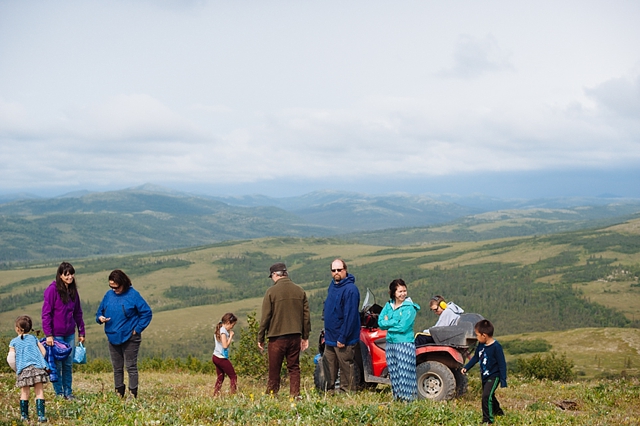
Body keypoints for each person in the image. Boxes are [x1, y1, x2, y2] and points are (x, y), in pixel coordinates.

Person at [96, 269, 153, 398]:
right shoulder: (108, 295)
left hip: (130, 337)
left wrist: (137, 329)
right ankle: (118, 394)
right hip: (112, 336)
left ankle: (132, 394)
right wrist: (100, 318)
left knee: (131, 367)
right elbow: (99, 312)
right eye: (111, 287)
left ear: (123, 283)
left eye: (116, 287)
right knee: (117, 368)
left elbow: (147, 313)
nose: (114, 290)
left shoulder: (133, 295)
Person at [258, 263, 311, 397]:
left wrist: (260, 338)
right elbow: (306, 317)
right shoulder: (300, 291)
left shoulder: (271, 292)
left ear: (275, 274)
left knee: (274, 369)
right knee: (294, 368)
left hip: (276, 337)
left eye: (272, 277)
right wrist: (305, 337)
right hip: (295, 336)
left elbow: (265, 317)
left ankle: (271, 395)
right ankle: (295, 395)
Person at [41, 261, 85, 399]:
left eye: (71, 274)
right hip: (56, 335)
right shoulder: (52, 290)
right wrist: (49, 334)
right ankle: (59, 393)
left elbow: (78, 312)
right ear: (60, 275)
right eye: (66, 275)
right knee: (57, 365)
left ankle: (68, 392)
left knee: (68, 364)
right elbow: (46, 314)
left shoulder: (73, 291)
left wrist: (81, 331)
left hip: (69, 333)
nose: (70, 277)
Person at [378, 279, 420, 402]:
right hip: (390, 343)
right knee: (394, 372)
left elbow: (403, 327)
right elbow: (380, 323)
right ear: (393, 293)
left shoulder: (409, 308)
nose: (403, 294)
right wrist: (394, 321)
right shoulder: (388, 305)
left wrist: (388, 322)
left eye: (404, 291)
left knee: (405, 373)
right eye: (400, 291)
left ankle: (409, 400)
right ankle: (397, 399)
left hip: (404, 343)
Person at [322, 258, 360, 393]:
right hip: (330, 336)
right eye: (333, 270)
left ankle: (348, 392)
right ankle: (329, 391)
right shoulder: (332, 286)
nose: (336, 273)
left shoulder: (351, 290)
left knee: (345, 366)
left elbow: (350, 316)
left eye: (339, 270)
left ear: (345, 270)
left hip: (344, 338)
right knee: (328, 365)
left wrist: (343, 337)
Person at [461, 319, 507, 424]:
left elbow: (502, 364)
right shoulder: (481, 346)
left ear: (484, 335)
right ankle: (498, 411)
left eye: (477, 335)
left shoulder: (496, 347)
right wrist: (466, 367)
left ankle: (488, 420)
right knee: (490, 395)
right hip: (484, 376)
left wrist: (503, 380)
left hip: (494, 376)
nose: (476, 337)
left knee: (486, 396)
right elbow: (476, 357)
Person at [9, 315, 49, 422]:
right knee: (39, 392)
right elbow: (43, 351)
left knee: (24, 393)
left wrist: (17, 369)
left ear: (18, 329)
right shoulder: (34, 338)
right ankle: (41, 416)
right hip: (37, 369)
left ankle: (24, 416)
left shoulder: (13, 342)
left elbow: (11, 359)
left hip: (24, 370)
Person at [212, 312, 238, 396]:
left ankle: (216, 394)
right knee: (233, 376)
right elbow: (225, 346)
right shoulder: (223, 331)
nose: (232, 327)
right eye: (232, 325)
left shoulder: (219, 329)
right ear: (227, 323)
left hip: (215, 356)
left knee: (220, 376)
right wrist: (230, 336)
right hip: (221, 358)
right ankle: (233, 395)